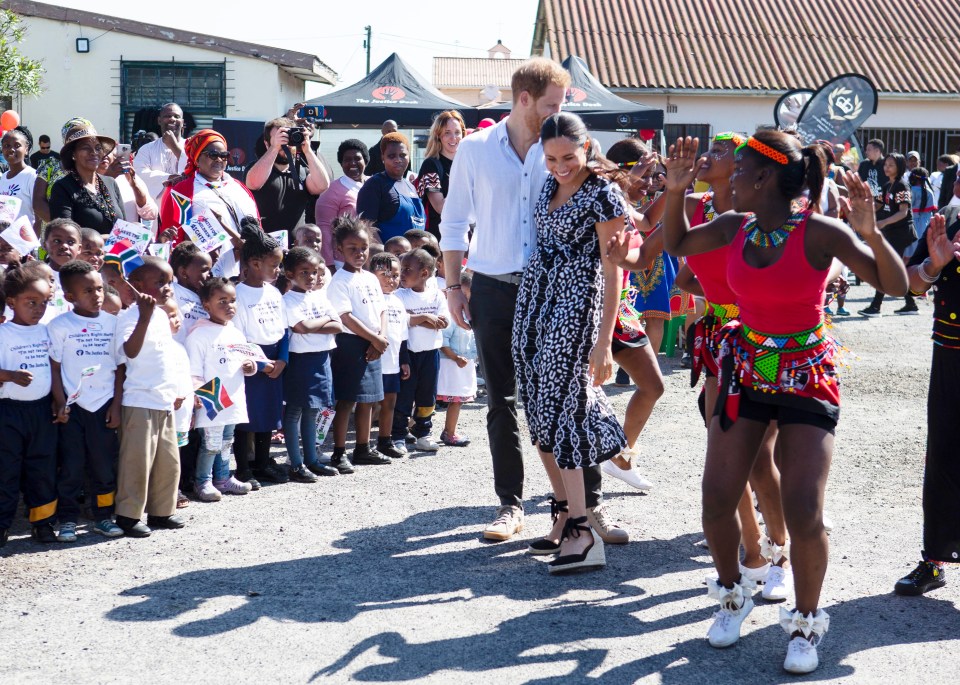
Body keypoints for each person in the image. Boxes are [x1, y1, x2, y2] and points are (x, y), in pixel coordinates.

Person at [661, 132, 907, 674]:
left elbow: (891, 284)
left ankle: (804, 623)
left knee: (804, 509)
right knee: (716, 497)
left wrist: (869, 234)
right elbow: (677, 245)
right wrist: (676, 192)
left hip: (805, 373)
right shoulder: (734, 227)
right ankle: (732, 596)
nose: (732, 177)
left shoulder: (821, 233)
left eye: (741, 167)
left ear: (765, 178)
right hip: (749, 366)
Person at [441, 58, 625, 544]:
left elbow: (607, 223)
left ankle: (588, 508)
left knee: (573, 397)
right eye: (552, 104)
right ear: (523, 99)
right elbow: (454, 221)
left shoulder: (562, 147)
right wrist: (453, 285)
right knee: (501, 399)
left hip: (559, 294)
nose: (558, 112)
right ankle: (511, 505)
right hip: (496, 287)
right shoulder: (476, 149)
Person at [512, 111, 628, 574]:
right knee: (537, 409)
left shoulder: (603, 194)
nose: (559, 166)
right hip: (534, 304)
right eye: (551, 158)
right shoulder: (545, 185)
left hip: (576, 308)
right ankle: (562, 510)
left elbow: (615, 268)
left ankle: (582, 531)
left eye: (568, 157)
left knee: (565, 410)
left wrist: (604, 341)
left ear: (587, 148)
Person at [894, 213, 960, 595]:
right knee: (943, 454)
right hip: (949, 354)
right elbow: (911, 284)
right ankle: (934, 560)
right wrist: (933, 266)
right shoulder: (948, 225)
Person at [48, 260, 124, 540]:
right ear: (69, 297)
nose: (97, 296)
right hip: (73, 407)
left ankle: (103, 516)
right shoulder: (59, 326)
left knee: (103, 465)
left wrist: (116, 405)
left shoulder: (114, 324)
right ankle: (67, 518)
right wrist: (60, 402)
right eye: (88, 291)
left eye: (99, 289)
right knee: (71, 466)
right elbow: (54, 368)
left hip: (104, 405)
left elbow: (120, 367)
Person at [113, 257, 186, 537]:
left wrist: (176, 388)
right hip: (139, 400)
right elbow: (129, 353)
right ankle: (128, 515)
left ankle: (161, 511)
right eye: (160, 282)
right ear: (138, 285)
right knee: (137, 462)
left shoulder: (162, 316)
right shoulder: (130, 316)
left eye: (169, 281)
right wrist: (143, 316)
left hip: (163, 398)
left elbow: (166, 357)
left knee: (168, 461)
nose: (168, 287)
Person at [327, 215, 391, 471]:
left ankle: (363, 448)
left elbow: (382, 310)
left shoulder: (371, 278)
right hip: (351, 344)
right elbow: (345, 317)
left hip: (375, 343)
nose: (359, 253)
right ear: (339, 250)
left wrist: (381, 338)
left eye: (363, 248)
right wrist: (374, 338)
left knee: (369, 399)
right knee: (347, 400)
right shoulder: (339, 281)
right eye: (352, 248)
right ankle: (339, 451)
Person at [0, 264, 58, 546]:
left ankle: (43, 523)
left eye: (44, 303)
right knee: (6, 470)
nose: (38, 309)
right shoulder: (4, 333)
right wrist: (10, 376)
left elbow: (56, 368)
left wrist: (60, 402)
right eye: (31, 303)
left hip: (41, 411)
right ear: (12, 302)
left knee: (43, 468)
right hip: (9, 412)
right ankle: (2, 526)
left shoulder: (46, 331)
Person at [186, 277, 256, 501]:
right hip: (212, 399)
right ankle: (202, 481)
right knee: (211, 443)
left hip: (233, 396)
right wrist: (199, 394)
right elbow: (194, 371)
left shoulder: (235, 332)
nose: (229, 306)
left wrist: (250, 366)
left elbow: (247, 359)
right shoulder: (198, 335)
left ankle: (223, 477)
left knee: (227, 440)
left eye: (233, 300)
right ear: (206, 305)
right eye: (222, 301)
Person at [231, 225, 289, 486]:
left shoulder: (274, 293)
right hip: (251, 362)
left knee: (268, 414)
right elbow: (238, 335)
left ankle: (262, 463)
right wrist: (262, 364)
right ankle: (243, 468)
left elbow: (284, 328)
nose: (279, 270)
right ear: (254, 263)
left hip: (275, 359)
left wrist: (283, 360)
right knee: (247, 417)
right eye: (274, 265)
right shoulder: (238, 294)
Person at [280, 247, 342, 480]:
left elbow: (338, 325)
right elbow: (301, 327)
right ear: (289, 274)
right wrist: (325, 320)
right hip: (301, 360)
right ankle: (296, 463)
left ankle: (312, 459)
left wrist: (317, 323)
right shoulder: (287, 300)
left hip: (322, 357)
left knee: (313, 410)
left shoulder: (319, 296)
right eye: (304, 272)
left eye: (315, 272)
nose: (311, 277)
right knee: (295, 410)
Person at [158, 129, 259, 246]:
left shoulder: (239, 187)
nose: (219, 159)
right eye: (213, 155)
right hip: (210, 262)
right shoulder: (181, 192)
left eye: (224, 155)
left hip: (249, 262)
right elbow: (174, 238)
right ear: (197, 158)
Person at [392, 248, 449, 453]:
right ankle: (398, 434)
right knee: (405, 395)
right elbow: (401, 321)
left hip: (430, 354)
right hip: (407, 353)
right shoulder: (399, 296)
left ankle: (423, 432)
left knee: (427, 395)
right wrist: (426, 318)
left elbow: (442, 323)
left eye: (407, 269)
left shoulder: (437, 296)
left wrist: (416, 319)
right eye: (401, 269)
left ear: (424, 273)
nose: (402, 274)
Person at [245, 117, 329, 233]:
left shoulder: (302, 171)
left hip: (296, 246)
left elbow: (322, 186)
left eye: (288, 138)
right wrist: (275, 148)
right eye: (279, 138)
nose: (286, 144)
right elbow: (253, 183)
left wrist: (307, 150)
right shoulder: (256, 168)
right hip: (264, 246)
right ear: (266, 143)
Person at [860, 152, 918, 316]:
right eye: (886, 164)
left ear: (899, 167)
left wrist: (883, 222)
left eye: (891, 165)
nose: (886, 167)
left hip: (901, 232)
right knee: (894, 268)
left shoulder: (902, 185)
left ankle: (876, 306)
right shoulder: (887, 185)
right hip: (891, 233)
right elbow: (877, 204)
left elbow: (903, 212)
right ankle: (910, 303)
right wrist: (863, 210)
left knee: (888, 267)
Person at [48, 119, 123, 234]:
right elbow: (65, 235)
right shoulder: (62, 188)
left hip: (117, 252)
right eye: (86, 148)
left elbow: (124, 228)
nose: (93, 152)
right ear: (73, 154)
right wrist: (108, 240)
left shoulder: (111, 183)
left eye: (98, 148)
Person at [370, 251, 410, 459]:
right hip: (373, 360)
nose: (391, 280)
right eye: (385, 274)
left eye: (395, 275)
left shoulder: (397, 302)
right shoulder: (372, 299)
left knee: (389, 402)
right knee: (367, 404)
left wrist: (404, 360)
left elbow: (402, 336)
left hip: (393, 362)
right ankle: (363, 443)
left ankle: (385, 440)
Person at [357, 132, 425, 243]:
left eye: (403, 155)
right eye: (391, 156)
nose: (398, 159)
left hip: (418, 258)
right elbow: (367, 229)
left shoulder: (411, 187)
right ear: (382, 157)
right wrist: (386, 257)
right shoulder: (374, 185)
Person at [438, 271, 478, 447]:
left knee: (458, 400)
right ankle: (418, 430)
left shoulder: (470, 315)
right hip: (451, 364)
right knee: (453, 399)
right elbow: (442, 341)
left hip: (463, 363)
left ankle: (449, 431)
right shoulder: (449, 315)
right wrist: (455, 357)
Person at [314, 139, 369, 268]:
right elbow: (325, 231)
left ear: (365, 160)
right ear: (341, 163)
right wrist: (329, 265)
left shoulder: (374, 185)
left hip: (370, 259)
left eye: (357, 158)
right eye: (347, 160)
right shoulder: (331, 191)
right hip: (342, 263)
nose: (352, 163)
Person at [416, 110, 466, 241]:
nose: (453, 138)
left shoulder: (467, 164)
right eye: (447, 133)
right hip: (439, 241)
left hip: (466, 236)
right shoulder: (431, 165)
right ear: (438, 136)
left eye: (457, 132)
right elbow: (440, 207)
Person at [133, 103, 188, 200]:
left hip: (185, 207)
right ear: (159, 120)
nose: (172, 119)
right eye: (167, 116)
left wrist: (175, 147)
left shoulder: (191, 147)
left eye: (177, 116)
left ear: (182, 122)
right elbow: (139, 174)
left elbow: (198, 171)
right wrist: (169, 177)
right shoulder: (147, 149)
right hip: (155, 208)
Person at [98, 148, 158, 225]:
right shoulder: (87, 179)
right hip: (99, 235)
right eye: (98, 149)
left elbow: (151, 214)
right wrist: (109, 177)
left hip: (127, 235)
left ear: (115, 156)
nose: (104, 155)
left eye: (108, 151)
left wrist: (134, 185)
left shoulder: (127, 177)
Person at [1, 128, 38, 225]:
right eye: (7, 145)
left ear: (26, 149)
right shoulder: (3, 177)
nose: (11, 149)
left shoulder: (32, 176)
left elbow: (39, 219)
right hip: (5, 238)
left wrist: (32, 240)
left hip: (25, 238)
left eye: (17, 145)